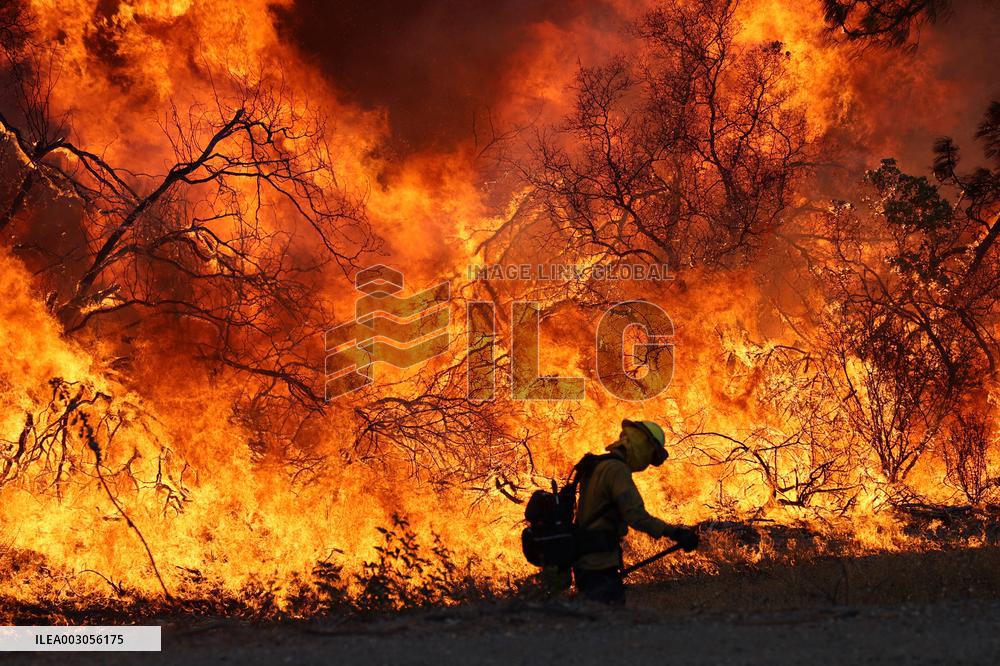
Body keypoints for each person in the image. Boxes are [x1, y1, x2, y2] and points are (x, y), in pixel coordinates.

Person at [572, 419, 699, 604]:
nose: (648, 462)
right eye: (650, 455)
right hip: (598, 563)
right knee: (607, 623)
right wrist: (676, 533)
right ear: (642, 446)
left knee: (592, 623)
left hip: (584, 560)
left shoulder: (599, 465)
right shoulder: (617, 470)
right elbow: (636, 516)